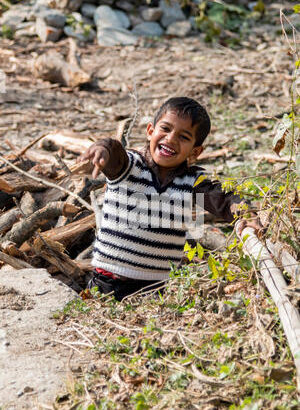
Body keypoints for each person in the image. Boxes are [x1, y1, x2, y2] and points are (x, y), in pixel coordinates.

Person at [79, 97, 262, 301]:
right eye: (165, 129)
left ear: (195, 151)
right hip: (106, 283)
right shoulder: (130, 166)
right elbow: (115, 154)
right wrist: (104, 148)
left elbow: (223, 200)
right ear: (150, 131)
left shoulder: (191, 182)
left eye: (183, 137)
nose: (171, 139)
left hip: (153, 291)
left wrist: (245, 213)